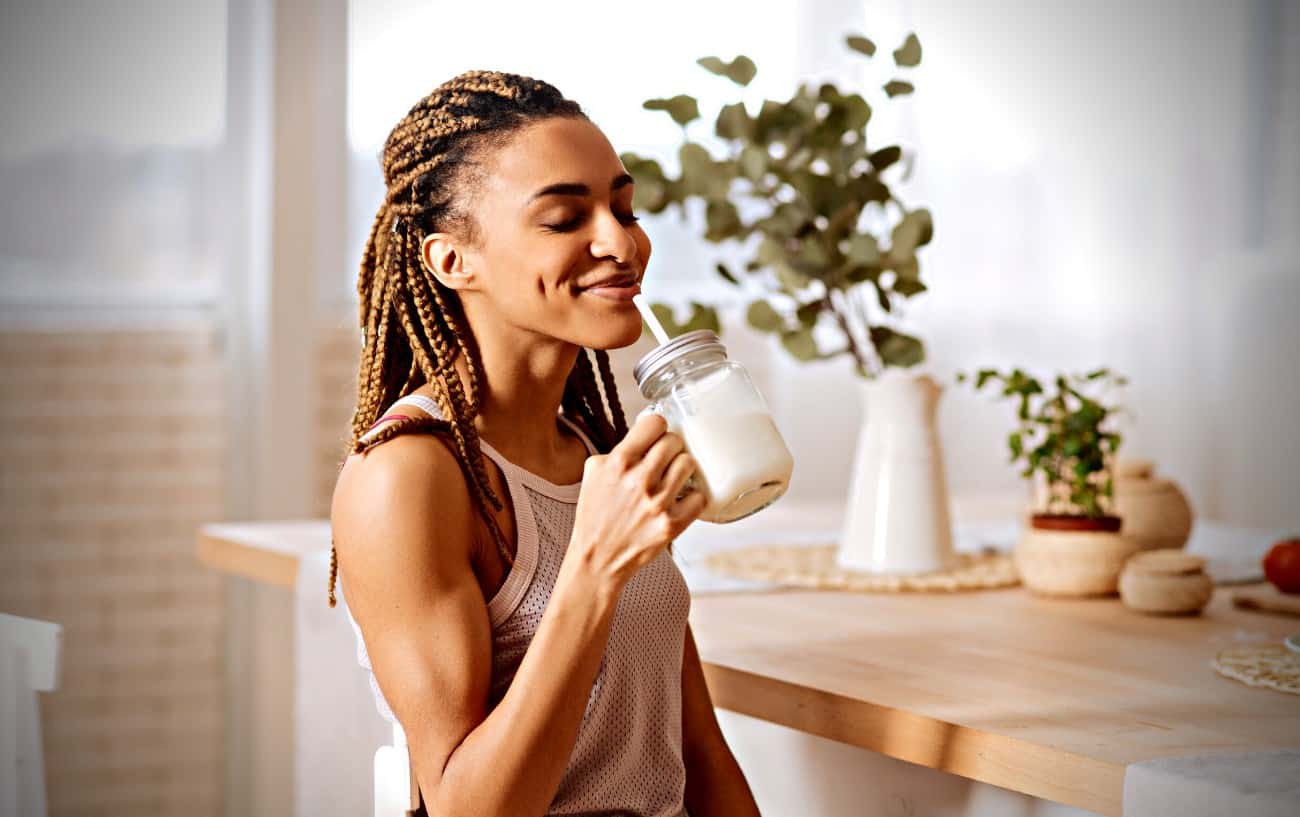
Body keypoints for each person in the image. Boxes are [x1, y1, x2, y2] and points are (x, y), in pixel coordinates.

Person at [328, 70, 761, 817]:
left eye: (623, 207)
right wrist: (593, 566)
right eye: (566, 219)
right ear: (450, 260)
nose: (620, 242)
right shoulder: (406, 475)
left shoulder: (599, 449)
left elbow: (698, 751)